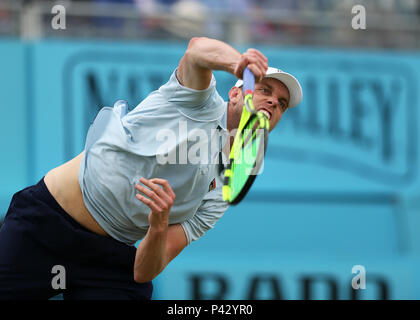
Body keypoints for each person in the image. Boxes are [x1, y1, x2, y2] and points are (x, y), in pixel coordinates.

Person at [0, 37, 302, 300]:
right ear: (237, 93)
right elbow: (197, 50)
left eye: (282, 103)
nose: (274, 102)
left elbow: (144, 271)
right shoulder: (198, 102)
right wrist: (239, 61)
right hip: (46, 223)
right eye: (265, 90)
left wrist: (159, 225)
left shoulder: (224, 189)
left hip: (110, 260)